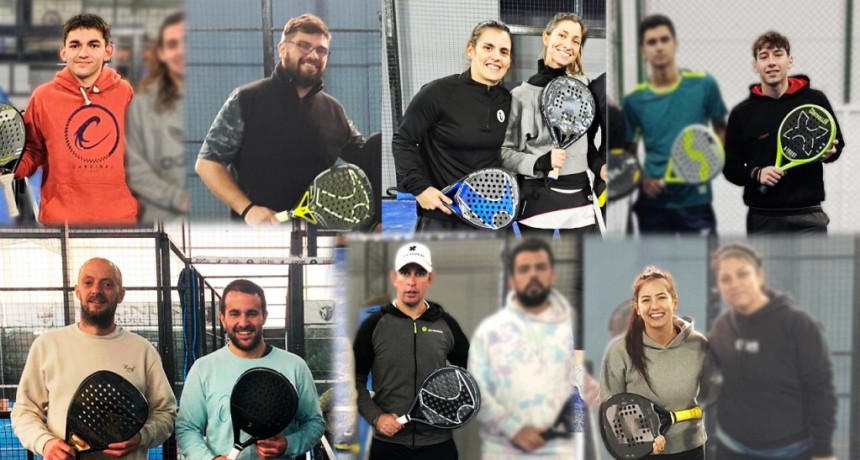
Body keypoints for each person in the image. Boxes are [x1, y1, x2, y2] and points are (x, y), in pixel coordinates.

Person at [196, 13, 364, 226]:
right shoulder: (247, 99)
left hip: (316, 240)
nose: (313, 55)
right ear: (283, 49)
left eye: (321, 50)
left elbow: (364, 158)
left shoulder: (334, 111)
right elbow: (208, 163)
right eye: (304, 45)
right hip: (258, 240)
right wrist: (248, 210)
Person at [11, 258, 176, 460]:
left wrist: (142, 436)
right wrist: (45, 443)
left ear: (120, 294)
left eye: (107, 284)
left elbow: (165, 412)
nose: (96, 291)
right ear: (77, 291)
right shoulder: (47, 345)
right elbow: (25, 410)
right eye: (88, 283)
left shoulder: (143, 350)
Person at [708, 243, 836, 459]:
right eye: (726, 279)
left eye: (743, 274)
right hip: (730, 448)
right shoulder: (721, 328)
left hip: (791, 451)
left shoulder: (798, 324)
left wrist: (823, 452)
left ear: (759, 276)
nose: (735, 284)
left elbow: (821, 390)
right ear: (719, 286)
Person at [176, 279, 325, 459]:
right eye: (234, 314)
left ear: (264, 316)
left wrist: (289, 444)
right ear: (222, 318)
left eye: (252, 313)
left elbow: (314, 423)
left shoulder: (295, 366)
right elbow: (187, 428)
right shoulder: (203, 369)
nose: (243, 322)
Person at [14, 14, 138, 225]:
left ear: (108, 51)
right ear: (64, 52)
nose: (83, 53)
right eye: (74, 45)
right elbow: (33, 151)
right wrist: (10, 167)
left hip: (120, 220)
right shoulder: (43, 97)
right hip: (61, 222)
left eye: (93, 45)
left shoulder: (124, 92)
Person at [353, 242, 470, 459]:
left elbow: (470, 372)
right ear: (394, 278)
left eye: (420, 273)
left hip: (439, 445)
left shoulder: (446, 325)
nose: (412, 282)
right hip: (388, 448)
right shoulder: (374, 324)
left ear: (430, 279)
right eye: (405, 272)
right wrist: (377, 417)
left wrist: (451, 407)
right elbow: (353, 380)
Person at [393, 21, 513, 232]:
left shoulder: (507, 101)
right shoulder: (438, 92)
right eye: (488, 47)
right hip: (443, 217)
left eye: (504, 51)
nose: (496, 57)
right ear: (470, 50)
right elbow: (404, 141)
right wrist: (420, 189)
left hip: (490, 216)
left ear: (509, 60)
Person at [722, 32, 845, 234]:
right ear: (756, 66)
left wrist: (831, 152)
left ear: (790, 61)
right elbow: (730, 167)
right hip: (763, 218)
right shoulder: (741, 114)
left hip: (809, 215)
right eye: (764, 56)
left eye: (778, 54)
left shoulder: (815, 100)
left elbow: (836, 144)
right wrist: (757, 173)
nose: (771, 62)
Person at [468, 238, 578, 458]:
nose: (533, 276)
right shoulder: (489, 331)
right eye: (524, 269)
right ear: (512, 280)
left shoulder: (569, 325)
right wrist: (514, 429)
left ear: (552, 275)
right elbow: (475, 388)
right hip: (504, 449)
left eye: (540, 268)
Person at [623, 14, 727, 235]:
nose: (659, 47)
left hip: (695, 201)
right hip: (654, 207)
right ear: (643, 50)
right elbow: (628, 151)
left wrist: (709, 163)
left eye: (664, 39)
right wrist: (642, 181)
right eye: (652, 42)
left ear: (675, 43)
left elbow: (720, 128)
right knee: (657, 271)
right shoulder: (634, 100)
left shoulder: (703, 84)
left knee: (701, 269)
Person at [501, 14, 604, 235]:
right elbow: (505, 153)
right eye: (562, 35)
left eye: (576, 41)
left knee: (583, 269)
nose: (568, 44)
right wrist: (540, 162)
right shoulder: (519, 96)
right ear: (546, 37)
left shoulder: (584, 89)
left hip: (579, 198)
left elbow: (590, 145)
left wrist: (601, 169)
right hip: (537, 199)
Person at [600, 266, 709, 459]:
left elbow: (715, 397)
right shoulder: (619, 352)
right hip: (644, 454)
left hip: (692, 449)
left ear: (674, 302)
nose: (655, 306)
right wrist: (642, 446)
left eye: (661, 297)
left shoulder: (700, 345)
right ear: (637, 308)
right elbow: (609, 413)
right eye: (646, 300)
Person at [125, 11, 188, 225]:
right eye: (172, 44)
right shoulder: (141, 105)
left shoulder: (226, 97)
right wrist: (179, 199)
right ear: (160, 53)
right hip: (162, 218)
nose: (181, 51)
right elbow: (136, 170)